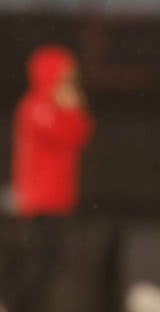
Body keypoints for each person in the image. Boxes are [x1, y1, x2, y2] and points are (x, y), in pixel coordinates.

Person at [1, 45, 94, 311]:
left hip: (57, 198)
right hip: (38, 200)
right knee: (37, 260)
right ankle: (8, 301)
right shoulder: (35, 106)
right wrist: (71, 109)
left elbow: (81, 133)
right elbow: (62, 134)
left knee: (51, 260)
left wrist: (72, 110)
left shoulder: (54, 107)